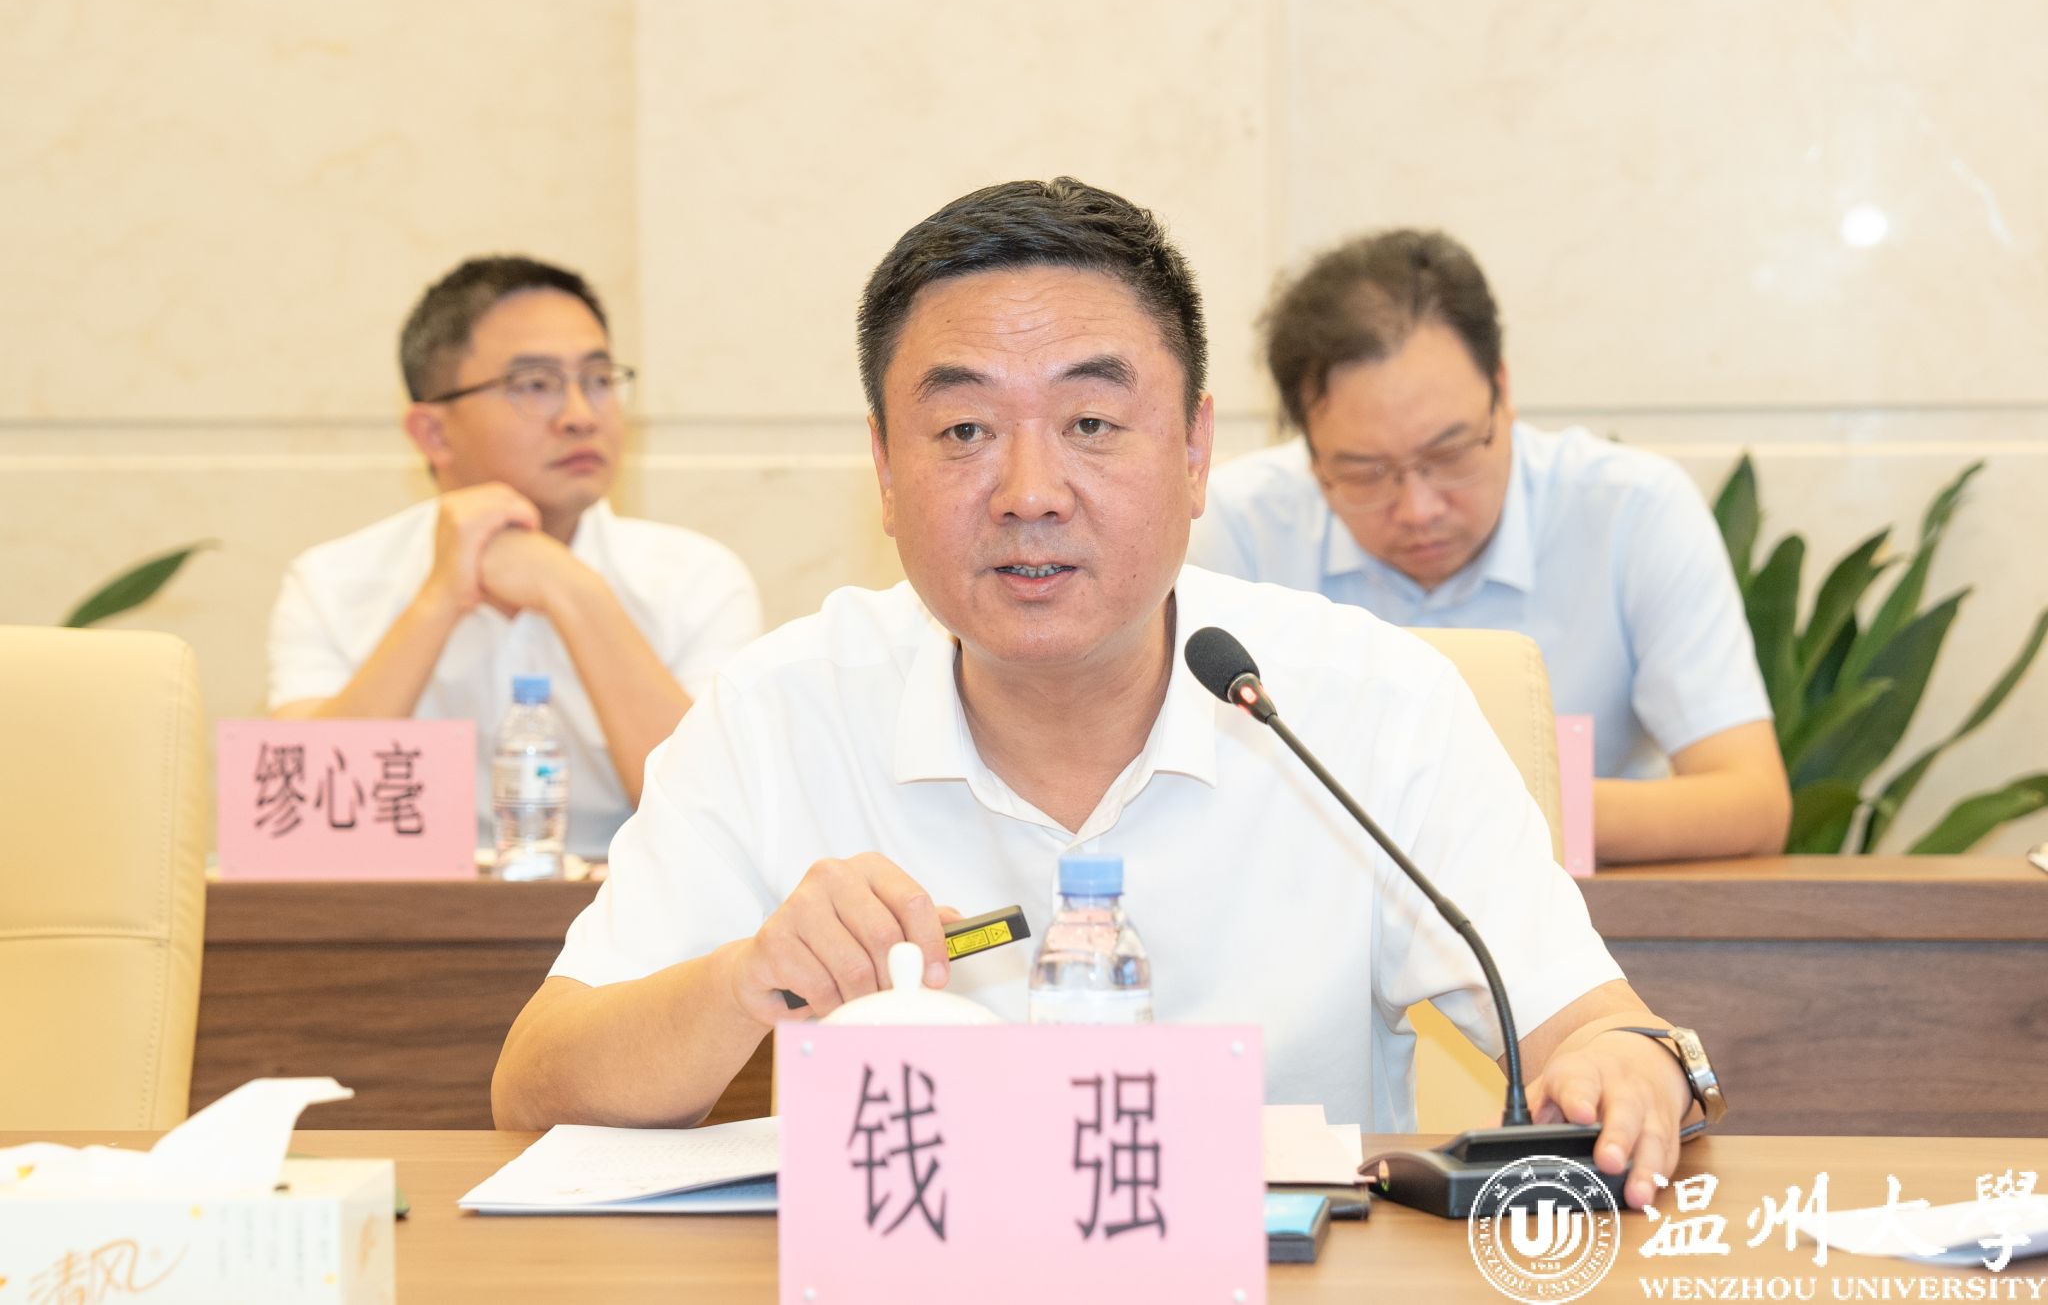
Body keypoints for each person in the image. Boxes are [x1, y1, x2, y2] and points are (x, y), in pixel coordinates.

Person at [493, 181, 1709, 1208]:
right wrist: (746, 980)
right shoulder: (777, 711)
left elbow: (1593, 1027)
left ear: (1193, 452)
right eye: (962, 431)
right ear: (882, 468)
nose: (1029, 491)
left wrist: (1627, 1069)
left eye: (1089, 420)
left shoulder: (1366, 704)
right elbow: (536, 1087)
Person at [1189, 230, 1790, 864]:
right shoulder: (1237, 525)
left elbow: (1751, 804)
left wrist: (1482, 809)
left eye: (1449, 453)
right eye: (1365, 472)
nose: (1419, 508)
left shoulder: (1630, 512)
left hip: (1586, 909)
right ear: (1311, 454)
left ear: (1502, 394)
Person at [267, 256, 761, 859]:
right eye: (535, 385)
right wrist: (437, 602)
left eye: (599, 379)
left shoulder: (697, 579)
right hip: (400, 908)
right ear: (433, 433)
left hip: (629, 911)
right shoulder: (330, 582)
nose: (581, 416)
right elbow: (299, 823)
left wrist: (572, 591)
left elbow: (721, 815)